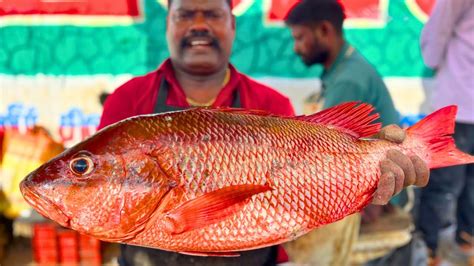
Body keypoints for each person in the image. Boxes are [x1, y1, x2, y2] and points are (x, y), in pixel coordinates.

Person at [98, 0, 429, 265]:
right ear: (167, 25)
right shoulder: (127, 100)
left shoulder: (272, 102)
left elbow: (306, 194)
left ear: (232, 24)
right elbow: (100, 203)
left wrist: (365, 178)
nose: (199, 25)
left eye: (212, 14)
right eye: (184, 15)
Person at [284, 0, 423, 265]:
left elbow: (324, 159)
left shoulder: (348, 80)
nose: (296, 48)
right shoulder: (344, 67)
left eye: (299, 38)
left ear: (324, 30)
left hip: (381, 200)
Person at [418, 0, 473, 265]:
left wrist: (434, 59)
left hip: (459, 102)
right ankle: (464, 244)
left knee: (442, 185)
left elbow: (433, 44)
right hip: (462, 102)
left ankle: (431, 251)